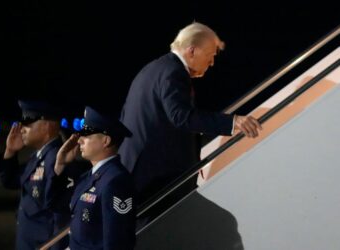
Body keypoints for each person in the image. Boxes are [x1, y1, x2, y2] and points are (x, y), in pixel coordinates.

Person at [118, 22, 262, 222]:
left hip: (139, 176)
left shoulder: (153, 69)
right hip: (156, 182)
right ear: (192, 50)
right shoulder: (173, 72)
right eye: (210, 55)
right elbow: (181, 117)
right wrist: (233, 122)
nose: (211, 63)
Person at [0, 100, 81, 250]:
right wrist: (10, 151)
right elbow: (10, 181)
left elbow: (61, 216)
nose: (22, 128)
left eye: (29, 122)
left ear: (48, 125)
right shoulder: (39, 156)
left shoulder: (57, 159)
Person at [51, 106, 136, 250]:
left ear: (106, 141)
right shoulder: (88, 177)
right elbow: (55, 205)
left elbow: (117, 244)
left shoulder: (116, 181)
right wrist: (60, 164)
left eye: (87, 135)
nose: (79, 141)